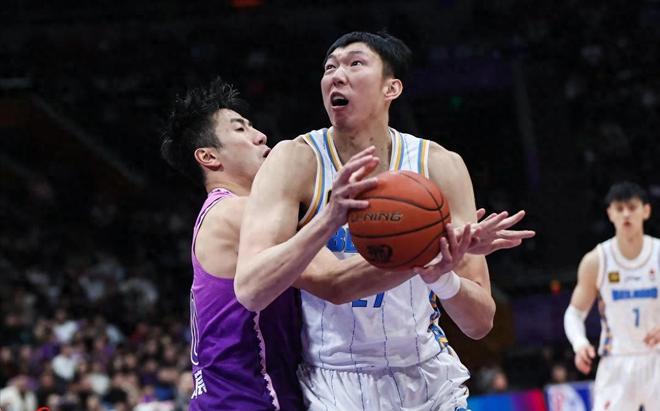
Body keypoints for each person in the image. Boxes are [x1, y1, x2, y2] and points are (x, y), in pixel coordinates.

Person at [236, 31, 535, 410]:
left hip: (430, 379)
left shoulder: (438, 165)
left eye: (355, 63)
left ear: (391, 88)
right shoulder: (295, 160)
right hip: (336, 384)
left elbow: (479, 324)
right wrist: (329, 219)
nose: (337, 75)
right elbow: (251, 289)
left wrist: (440, 274)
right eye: (330, 68)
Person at [161, 77, 434, 410]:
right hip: (246, 402)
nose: (260, 135)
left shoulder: (226, 213)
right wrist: (429, 248)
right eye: (240, 129)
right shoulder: (236, 211)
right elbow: (336, 281)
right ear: (208, 157)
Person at [564, 181, 659, 411]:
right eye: (619, 208)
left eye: (632, 207)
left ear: (646, 211)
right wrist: (580, 344)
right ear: (610, 213)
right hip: (617, 361)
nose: (626, 214)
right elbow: (574, 313)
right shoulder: (596, 260)